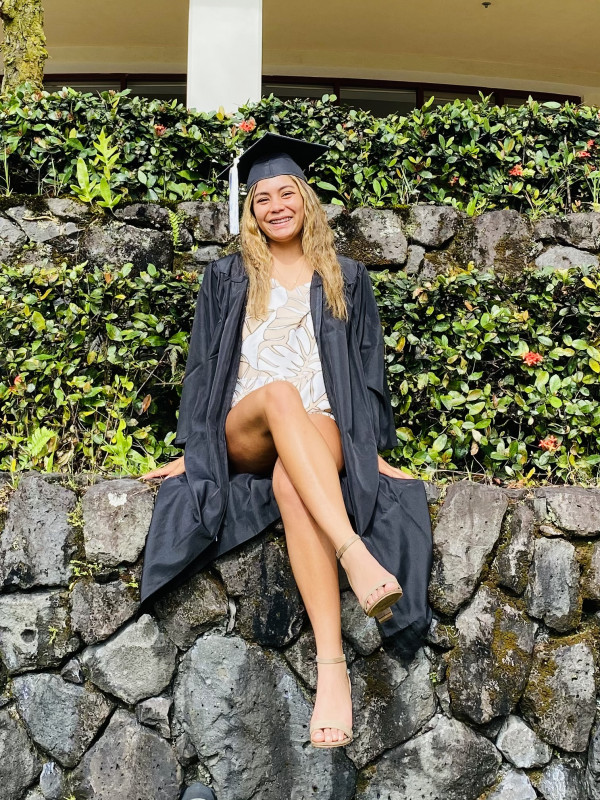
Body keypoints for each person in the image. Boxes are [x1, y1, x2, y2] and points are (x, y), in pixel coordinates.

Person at [140, 133, 432, 749]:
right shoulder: (227, 277)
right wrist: (191, 452)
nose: (275, 205)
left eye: (286, 192)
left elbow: (367, 370)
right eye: (261, 197)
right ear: (250, 209)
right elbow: (200, 371)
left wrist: (372, 451)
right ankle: (354, 554)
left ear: (305, 199)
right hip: (249, 425)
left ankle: (332, 673)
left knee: (290, 483)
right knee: (277, 393)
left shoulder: (345, 277)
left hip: (321, 424)